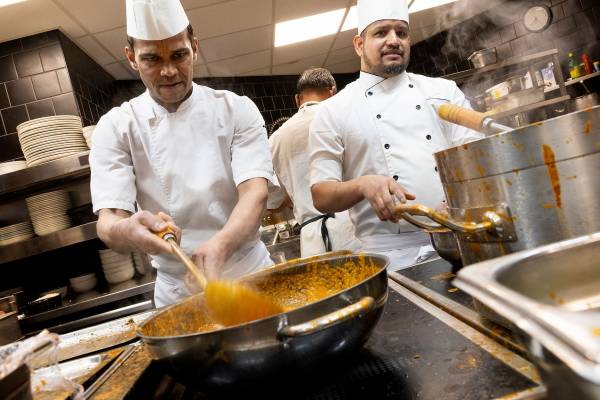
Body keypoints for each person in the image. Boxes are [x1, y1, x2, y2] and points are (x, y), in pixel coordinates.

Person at [89, 0, 276, 307]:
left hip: (249, 271)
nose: (168, 71)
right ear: (132, 58)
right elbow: (108, 222)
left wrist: (221, 245)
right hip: (177, 291)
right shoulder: (116, 127)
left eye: (179, 55)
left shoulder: (236, 110)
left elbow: (255, 193)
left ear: (195, 48)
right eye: (151, 58)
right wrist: (128, 230)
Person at [309, 0, 483, 270]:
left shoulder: (443, 91)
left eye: (401, 33)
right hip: (392, 258)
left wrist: (459, 198)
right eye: (381, 32)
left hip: (462, 238)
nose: (394, 40)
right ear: (359, 44)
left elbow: (475, 156)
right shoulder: (333, 111)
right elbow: (321, 195)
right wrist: (362, 185)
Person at [267, 68, 360, 257]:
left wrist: (297, 195)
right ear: (332, 91)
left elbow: (273, 201)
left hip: (312, 240)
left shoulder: (275, 139)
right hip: (352, 229)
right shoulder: (345, 120)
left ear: (297, 99)